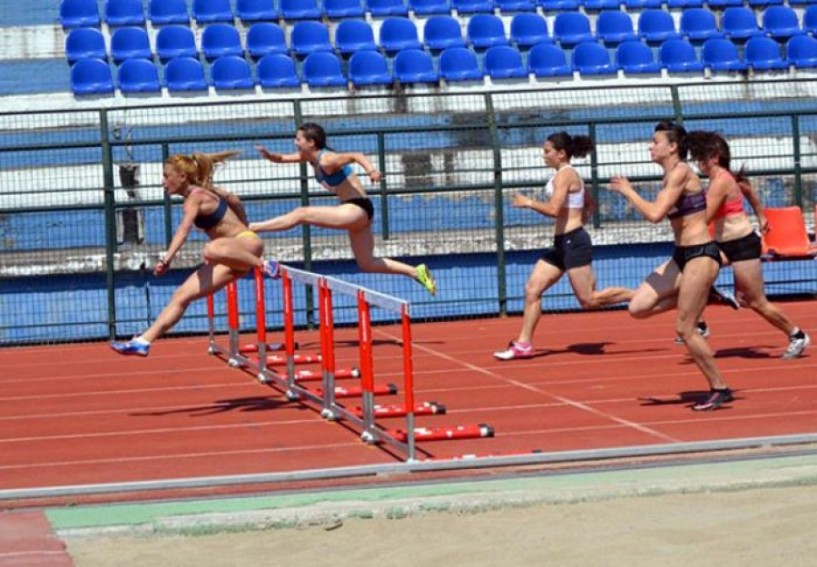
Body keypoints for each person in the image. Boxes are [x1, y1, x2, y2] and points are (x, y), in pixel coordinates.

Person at [608, 121, 732, 411]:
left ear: (673, 146)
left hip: (701, 254)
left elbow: (654, 214)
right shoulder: (669, 177)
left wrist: (628, 191)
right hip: (681, 256)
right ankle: (705, 295)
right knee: (637, 307)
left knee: (686, 329)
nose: (650, 146)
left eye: (655, 141)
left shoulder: (681, 173)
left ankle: (720, 388)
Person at [110, 151, 275, 357]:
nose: (162, 182)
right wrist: (243, 220)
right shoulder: (204, 192)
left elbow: (183, 230)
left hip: (245, 246)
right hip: (232, 257)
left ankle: (265, 265)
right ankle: (144, 341)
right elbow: (234, 198)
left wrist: (167, 259)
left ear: (181, 177)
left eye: (165, 176)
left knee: (210, 249)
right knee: (181, 296)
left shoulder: (195, 198)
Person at [249, 123, 436, 295]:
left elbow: (356, 155)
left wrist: (372, 171)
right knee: (367, 263)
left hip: (356, 208)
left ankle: (253, 227)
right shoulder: (308, 158)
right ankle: (415, 271)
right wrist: (268, 155)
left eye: (298, 139)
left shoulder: (327, 160)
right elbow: (281, 158)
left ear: (311, 142)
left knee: (301, 213)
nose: (294, 142)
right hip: (358, 213)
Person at [493, 131, 634, 361]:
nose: (543, 155)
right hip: (562, 243)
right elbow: (589, 203)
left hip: (574, 243)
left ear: (561, 153)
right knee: (532, 289)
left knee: (588, 300)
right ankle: (523, 344)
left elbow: (554, 209)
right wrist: (579, 219)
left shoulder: (565, 175)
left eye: (547, 151)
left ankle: (640, 295)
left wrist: (528, 202)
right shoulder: (562, 175)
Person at [686, 130, 810, 359]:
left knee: (755, 302)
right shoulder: (721, 179)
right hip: (724, 246)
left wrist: (681, 218)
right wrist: (761, 215)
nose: (699, 164)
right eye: (696, 159)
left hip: (742, 245)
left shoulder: (721, 181)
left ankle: (797, 334)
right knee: (695, 272)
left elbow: (707, 217)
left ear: (714, 157)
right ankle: (701, 322)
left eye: (701, 158)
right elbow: (748, 190)